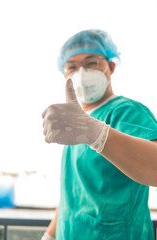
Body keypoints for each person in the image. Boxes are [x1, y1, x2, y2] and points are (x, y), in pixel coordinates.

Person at [41, 29, 157, 240]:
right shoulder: (74, 126)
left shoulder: (127, 112)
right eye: (72, 66)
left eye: (91, 62)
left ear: (110, 67)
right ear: (64, 74)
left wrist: (96, 134)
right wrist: (50, 234)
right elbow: (72, 194)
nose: (81, 72)